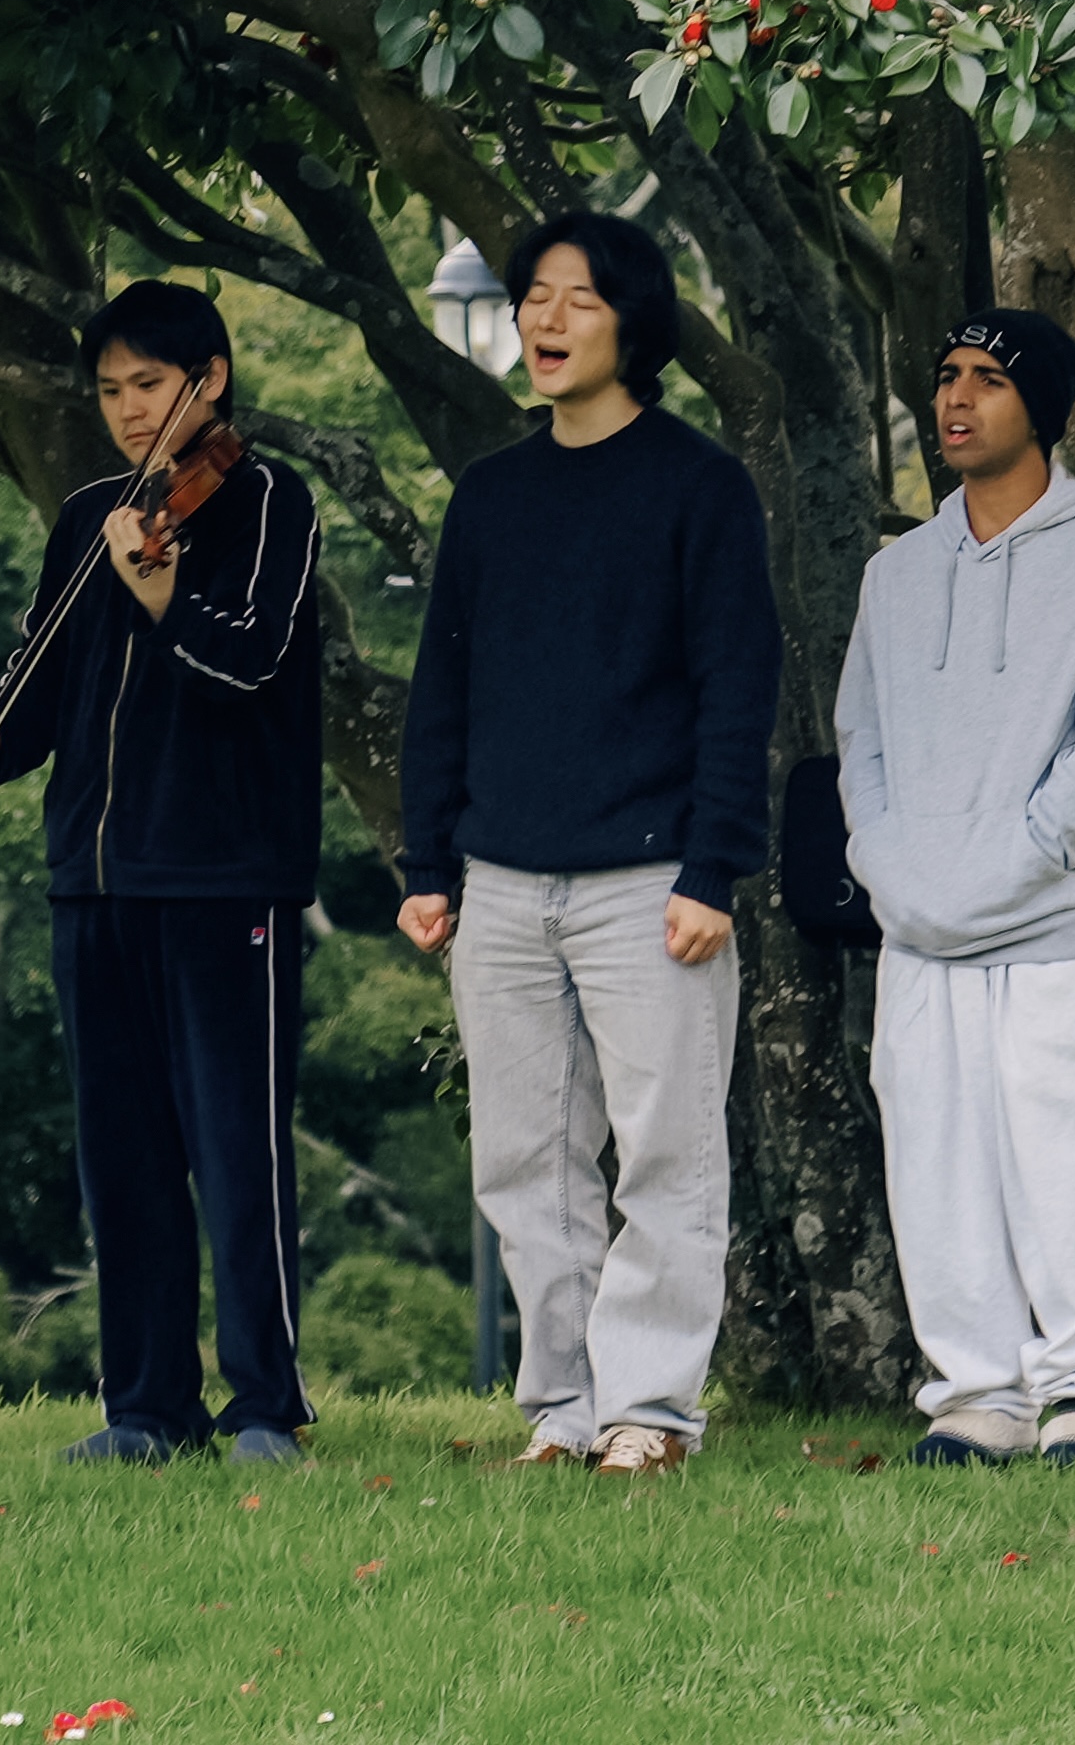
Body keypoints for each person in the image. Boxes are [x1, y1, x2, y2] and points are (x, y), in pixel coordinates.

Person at [392, 207, 778, 1476]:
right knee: (526, 1159)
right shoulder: (493, 497)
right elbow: (440, 690)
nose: (545, 320)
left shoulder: (699, 485)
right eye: (534, 297)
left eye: (578, 300)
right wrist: (428, 866)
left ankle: (650, 1412)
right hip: (499, 880)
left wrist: (712, 867)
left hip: (650, 881)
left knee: (665, 1151)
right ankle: (562, 1409)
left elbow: (739, 685)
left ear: (635, 325)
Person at [0, 281, 331, 1467]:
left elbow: (254, 659)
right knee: (124, 1157)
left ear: (208, 380)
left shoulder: (268, 501)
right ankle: (146, 1406)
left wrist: (161, 592)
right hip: (93, 880)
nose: (125, 410)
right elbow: (38, 691)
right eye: (108, 389)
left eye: (147, 386)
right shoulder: (87, 517)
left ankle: (266, 1406)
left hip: (222, 874)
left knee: (238, 1149)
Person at [838, 305, 1075, 1467]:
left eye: (987, 378)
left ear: (1042, 405)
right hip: (920, 932)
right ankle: (978, 1394)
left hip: (1058, 927)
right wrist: (894, 872)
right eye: (946, 375)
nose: (956, 398)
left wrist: (998, 871)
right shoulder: (897, 573)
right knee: (936, 1168)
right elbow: (863, 748)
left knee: (1067, 1167)